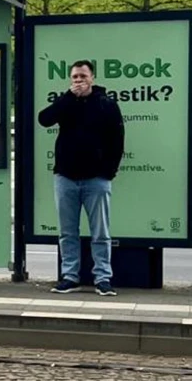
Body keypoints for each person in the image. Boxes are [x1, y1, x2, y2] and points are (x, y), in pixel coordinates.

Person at [38, 59, 125, 296]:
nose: (78, 81)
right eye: (75, 77)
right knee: (68, 232)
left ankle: (103, 278)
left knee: (100, 232)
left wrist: (109, 172)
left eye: (83, 77)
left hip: (97, 178)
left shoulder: (106, 104)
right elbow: (44, 119)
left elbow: (117, 140)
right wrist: (68, 97)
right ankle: (69, 276)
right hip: (65, 176)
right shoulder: (65, 102)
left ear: (92, 78)